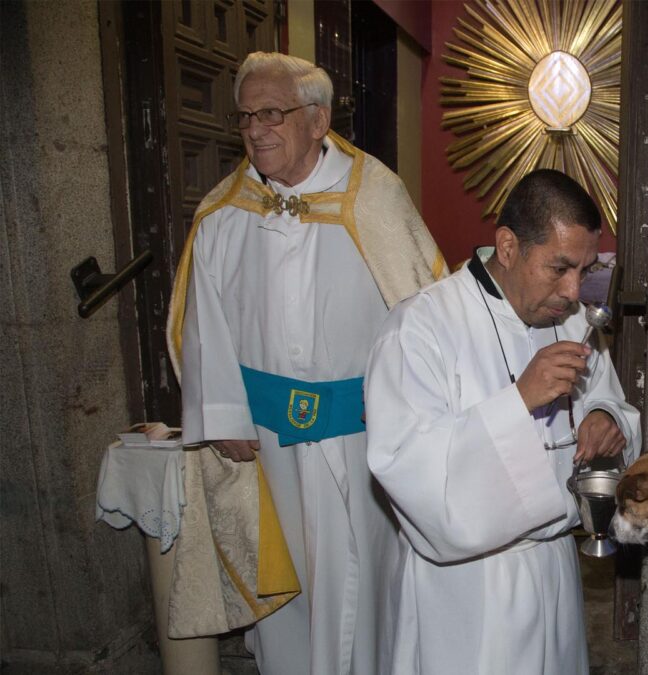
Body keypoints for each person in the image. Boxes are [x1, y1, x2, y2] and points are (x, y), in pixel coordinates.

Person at [169, 52, 444, 675]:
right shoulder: (223, 214)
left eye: (272, 113)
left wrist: (418, 414)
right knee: (282, 578)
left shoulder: (373, 197)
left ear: (317, 120)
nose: (255, 130)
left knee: (363, 581)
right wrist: (224, 416)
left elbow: (423, 312)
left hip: (361, 433)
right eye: (244, 118)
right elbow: (203, 322)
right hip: (264, 441)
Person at [363, 168, 642, 674]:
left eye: (585, 269)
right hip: (465, 593)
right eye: (559, 268)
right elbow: (409, 469)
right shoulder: (419, 328)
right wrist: (517, 401)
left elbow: (609, 398)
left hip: (553, 569)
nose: (574, 291)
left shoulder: (572, 320)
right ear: (508, 247)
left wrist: (604, 418)